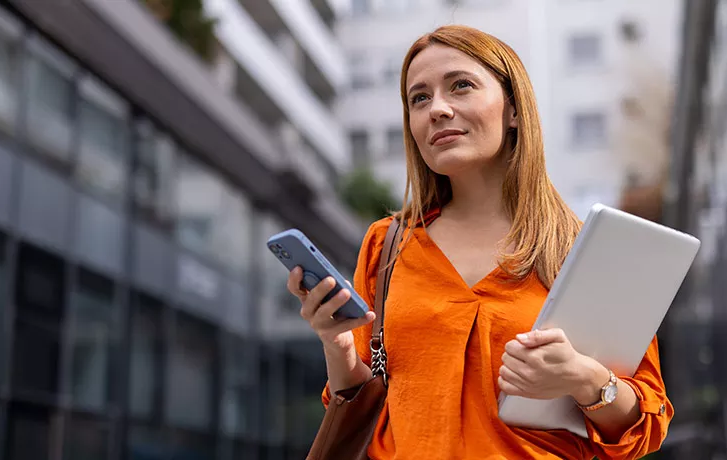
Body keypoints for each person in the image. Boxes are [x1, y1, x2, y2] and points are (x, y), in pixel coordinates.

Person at [287, 25, 673, 460]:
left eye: (461, 86)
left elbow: (643, 426)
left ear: (512, 108)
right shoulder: (386, 244)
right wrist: (337, 346)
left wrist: (582, 379)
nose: (438, 109)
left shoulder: (588, 250)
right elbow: (363, 403)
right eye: (419, 98)